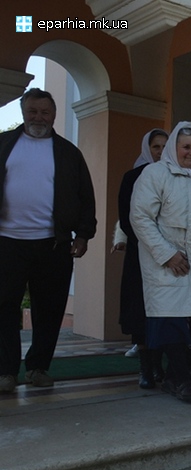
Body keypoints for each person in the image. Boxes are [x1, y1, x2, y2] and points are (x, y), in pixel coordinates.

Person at [0, 88, 96, 393]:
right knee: (3, 307)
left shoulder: (69, 153)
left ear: (54, 115)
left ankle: (38, 367)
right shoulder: (3, 144)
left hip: (53, 244)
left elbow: (85, 197)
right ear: (23, 113)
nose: (38, 117)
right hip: (7, 242)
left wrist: (83, 234)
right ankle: (5, 372)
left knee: (50, 309)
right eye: (33, 111)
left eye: (45, 112)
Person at [130, 121, 191, 403]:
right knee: (169, 319)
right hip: (165, 264)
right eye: (186, 147)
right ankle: (181, 379)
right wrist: (167, 254)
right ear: (175, 147)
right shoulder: (155, 174)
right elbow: (141, 218)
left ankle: (174, 377)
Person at [118, 128, 168, 387]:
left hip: (169, 256)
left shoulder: (175, 176)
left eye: (165, 147)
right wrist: (152, 243)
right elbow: (127, 218)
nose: (160, 152)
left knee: (163, 310)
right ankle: (145, 369)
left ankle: (158, 365)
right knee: (140, 309)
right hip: (140, 253)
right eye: (156, 147)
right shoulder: (132, 177)